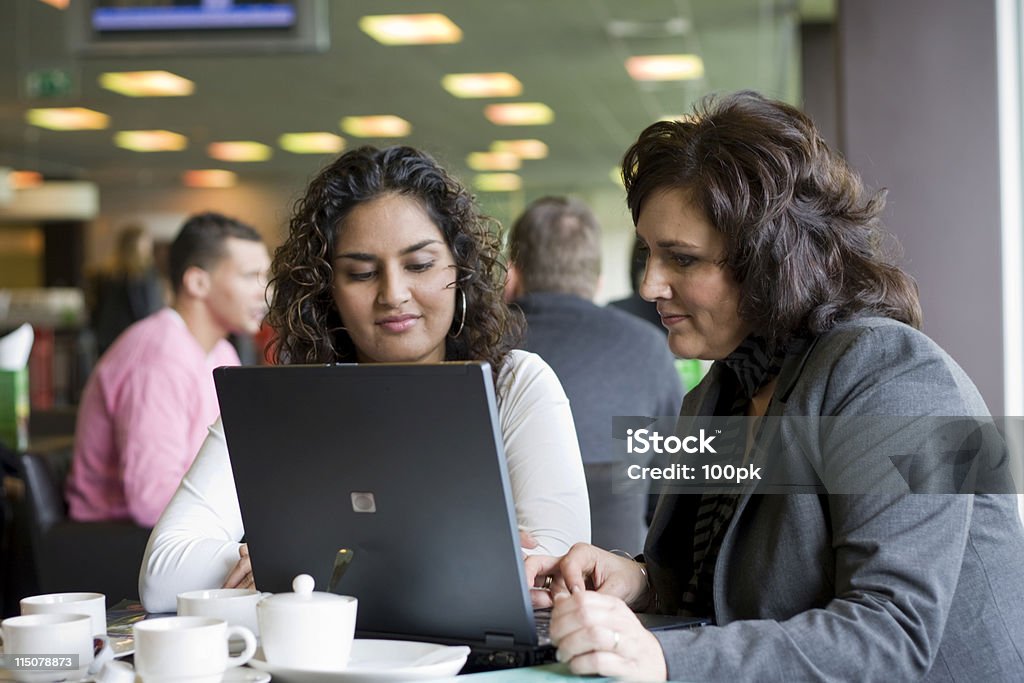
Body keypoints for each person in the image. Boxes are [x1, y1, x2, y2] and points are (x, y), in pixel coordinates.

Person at [525, 92, 1024, 681]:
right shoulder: (721, 390)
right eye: (649, 255)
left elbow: (893, 636)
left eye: (682, 260)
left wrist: (663, 657)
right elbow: (719, 582)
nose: (652, 284)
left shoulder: (902, 376)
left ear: (770, 260)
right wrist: (637, 580)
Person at [139, 146, 591, 612]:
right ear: (327, 289)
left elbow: (550, 570)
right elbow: (162, 573)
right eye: (361, 273)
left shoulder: (516, 384)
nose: (394, 294)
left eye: (419, 265)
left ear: (461, 270)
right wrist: (444, 556)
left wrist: (304, 564)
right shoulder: (280, 401)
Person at [66, 212, 270, 528]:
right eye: (249, 276)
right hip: (120, 544)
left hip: (187, 528)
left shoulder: (220, 351)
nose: (265, 290)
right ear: (197, 282)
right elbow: (152, 502)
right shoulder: (158, 358)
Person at [506, 196, 682, 555]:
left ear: (515, 274)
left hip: (504, 580)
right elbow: (669, 498)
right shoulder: (649, 348)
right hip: (617, 589)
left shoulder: (481, 348)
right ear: (597, 281)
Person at [88, 224, 166, 356]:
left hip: (106, 339)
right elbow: (143, 311)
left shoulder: (108, 273)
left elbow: (95, 310)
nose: (149, 247)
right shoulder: (139, 275)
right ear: (136, 245)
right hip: (131, 341)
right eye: (145, 243)